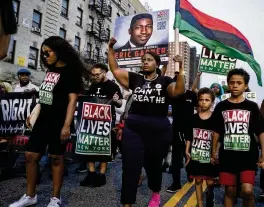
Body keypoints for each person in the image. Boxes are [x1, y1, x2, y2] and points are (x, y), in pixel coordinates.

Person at [108, 37, 185, 207]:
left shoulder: (165, 81)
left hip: (158, 132)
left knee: (153, 167)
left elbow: (179, 91)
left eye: (149, 60)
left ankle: (155, 192)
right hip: (133, 130)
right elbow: (114, 69)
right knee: (130, 168)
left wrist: (181, 69)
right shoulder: (135, 79)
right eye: (143, 60)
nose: (145, 62)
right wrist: (111, 48)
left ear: (156, 64)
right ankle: (127, 203)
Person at [9, 36, 84, 207]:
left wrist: (66, 126)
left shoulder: (70, 72)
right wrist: (34, 113)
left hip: (59, 122)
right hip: (43, 121)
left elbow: (72, 101)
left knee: (56, 158)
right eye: (43, 53)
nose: (44, 56)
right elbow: (45, 98)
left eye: (47, 52)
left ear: (58, 51)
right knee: (30, 155)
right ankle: (30, 196)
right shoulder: (50, 72)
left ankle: (55, 199)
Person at [211, 68, 264, 207]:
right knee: (229, 191)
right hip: (227, 155)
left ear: (245, 86)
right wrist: (213, 151)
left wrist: (263, 154)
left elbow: (260, 132)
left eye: (239, 83)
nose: (235, 85)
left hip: (248, 156)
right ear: (228, 84)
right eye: (232, 82)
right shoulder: (221, 106)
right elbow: (216, 131)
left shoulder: (252, 107)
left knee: (247, 191)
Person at [79, 63, 123, 187]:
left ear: (104, 73)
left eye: (97, 74)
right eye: (93, 75)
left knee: (104, 147)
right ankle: (91, 174)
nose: (95, 77)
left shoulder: (113, 86)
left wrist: (116, 100)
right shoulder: (93, 85)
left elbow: (119, 104)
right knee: (89, 146)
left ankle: (102, 176)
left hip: (106, 121)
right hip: (91, 120)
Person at [185, 88, 218, 207]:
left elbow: (218, 137)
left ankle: (210, 193)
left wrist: (215, 153)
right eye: (201, 100)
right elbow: (189, 135)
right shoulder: (193, 118)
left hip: (209, 155)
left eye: (207, 100)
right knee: (198, 180)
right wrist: (187, 150)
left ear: (212, 102)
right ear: (198, 101)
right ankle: (200, 203)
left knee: (210, 182)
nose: (203, 102)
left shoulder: (216, 118)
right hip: (196, 153)